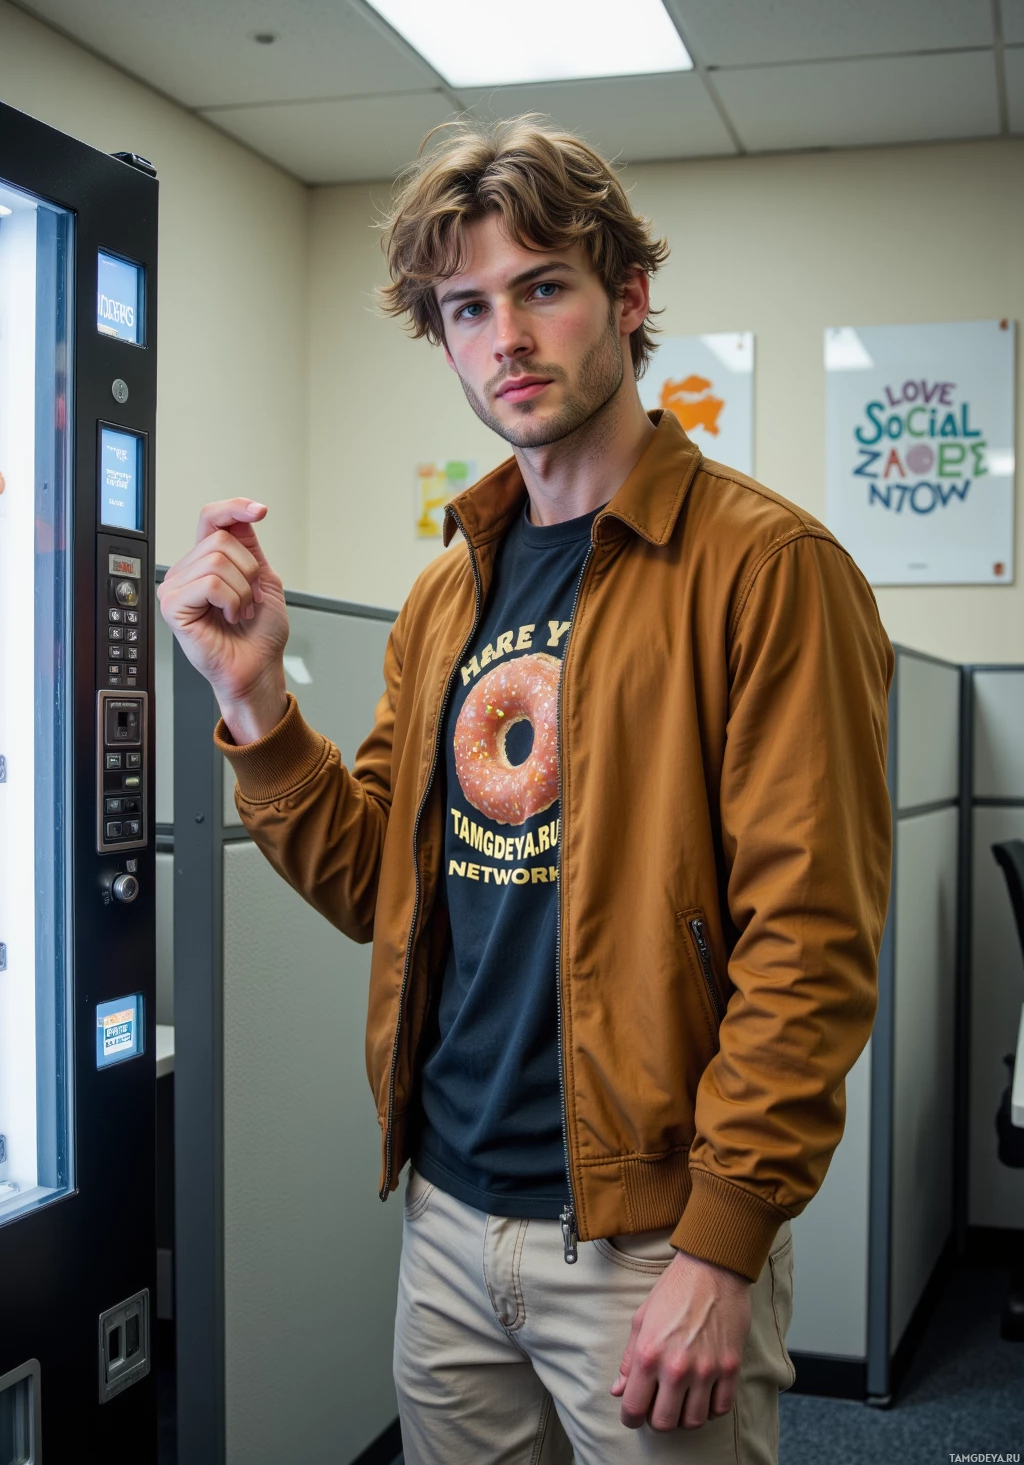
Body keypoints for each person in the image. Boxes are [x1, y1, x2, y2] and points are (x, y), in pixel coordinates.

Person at [159, 116, 893, 1463]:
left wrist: (724, 1250)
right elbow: (373, 879)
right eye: (466, 307)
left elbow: (812, 943)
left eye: (542, 287)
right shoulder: (452, 587)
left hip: (648, 1235)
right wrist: (254, 700)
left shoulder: (765, 569)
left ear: (626, 297)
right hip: (447, 1213)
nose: (507, 336)